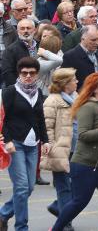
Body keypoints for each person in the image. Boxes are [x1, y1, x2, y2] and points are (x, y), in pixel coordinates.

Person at [50, 73, 98, 231]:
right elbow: (83, 135)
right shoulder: (87, 107)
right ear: (94, 89)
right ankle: (56, 228)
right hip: (85, 164)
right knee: (79, 202)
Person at [0, 57, 50, 231]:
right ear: (19, 73)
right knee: (21, 187)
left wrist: (45, 140)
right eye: (24, 73)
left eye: (32, 73)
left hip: (33, 144)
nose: (28, 76)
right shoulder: (10, 92)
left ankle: (3, 213)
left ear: (37, 74)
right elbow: (2, 119)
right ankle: (22, 227)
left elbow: (40, 119)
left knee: (28, 188)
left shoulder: (39, 93)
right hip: (16, 144)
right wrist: (7, 140)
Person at [41, 68, 79, 230]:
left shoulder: (75, 98)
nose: (77, 81)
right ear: (65, 84)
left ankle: (58, 207)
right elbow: (47, 128)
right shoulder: (52, 101)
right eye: (74, 79)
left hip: (76, 149)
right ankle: (66, 223)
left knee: (77, 186)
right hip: (60, 151)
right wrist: (50, 147)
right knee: (64, 187)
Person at [62, 25, 98, 89]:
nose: (96, 43)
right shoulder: (70, 56)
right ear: (82, 39)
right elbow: (66, 83)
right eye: (93, 40)